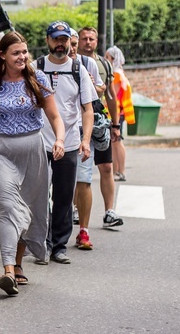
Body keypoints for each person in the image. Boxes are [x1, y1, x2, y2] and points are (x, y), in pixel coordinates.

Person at [0, 31, 65, 296]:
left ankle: (17, 264)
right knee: (7, 208)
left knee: (28, 208)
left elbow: (54, 116)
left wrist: (60, 139)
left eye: (25, 52)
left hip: (33, 152)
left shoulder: (36, 79)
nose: (22, 57)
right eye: (16, 52)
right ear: (2, 55)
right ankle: (7, 269)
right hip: (1, 151)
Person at [33, 21, 94, 265]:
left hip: (68, 143)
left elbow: (87, 109)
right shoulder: (36, 67)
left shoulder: (78, 70)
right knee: (38, 197)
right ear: (48, 40)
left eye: (64, 39)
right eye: (56, 39)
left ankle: (58, 246)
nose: (60, 44)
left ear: (70, 41)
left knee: (63, 197)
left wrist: (86, 140)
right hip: (39, 142)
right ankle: (42, 245)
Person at [76, 27, 123, 235]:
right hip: (78, 124)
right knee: (76, 171)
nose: (88, 42)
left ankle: (109, 211)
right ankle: (75, 209)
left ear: (97, 41)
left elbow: (111, 96)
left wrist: (115, 124)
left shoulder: (104, 64)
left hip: (100, 123)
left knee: (106, 167)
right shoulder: (71, 63)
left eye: (91, 39)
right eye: (84, 38)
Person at [106, 45, 134, 182]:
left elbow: (113, 96)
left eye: (107, 57)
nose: (106, 60)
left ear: (113, 59)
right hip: (118, 113)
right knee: (114, 142)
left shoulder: (116, 74)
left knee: (117, 142)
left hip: (116, 114)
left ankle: (120, 171)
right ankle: (117, 171)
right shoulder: (119, 73)